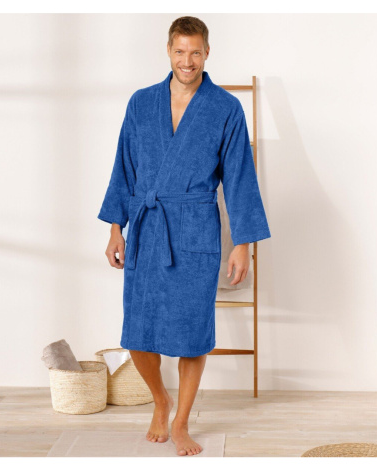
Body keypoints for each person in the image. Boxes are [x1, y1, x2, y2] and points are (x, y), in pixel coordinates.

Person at [97, 16, 271, 456]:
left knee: (192, 333)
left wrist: (243, 246)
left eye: (195, 52)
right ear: (169, 51)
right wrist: (116, 228)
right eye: (180, 51)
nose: (187, 61)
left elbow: (240, 179)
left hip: (195, 233)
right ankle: (161, 400)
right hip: (146, 229)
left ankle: (180, 422)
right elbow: (124, 168)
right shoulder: (141, 103)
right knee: (138, 333)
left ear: (207, 53)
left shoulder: (225, 108)